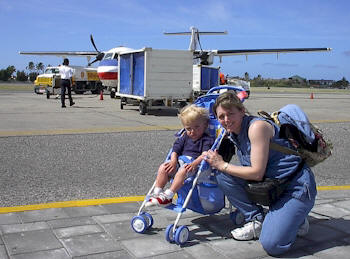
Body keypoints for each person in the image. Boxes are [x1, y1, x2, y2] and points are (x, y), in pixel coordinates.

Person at [203, 92, 316, 256]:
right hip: (272, 186)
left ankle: (296, 219)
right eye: (221, 116)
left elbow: (256, 173)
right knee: (222, 175)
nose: (226, 120)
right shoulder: (232, 131)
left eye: (231, 114)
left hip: (295, 188)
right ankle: (257, 219)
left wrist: (222, 164)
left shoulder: (257, 127)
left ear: (242, 111)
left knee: (272, 245)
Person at [145, 105, 214, 207]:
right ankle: (157, 192)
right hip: (179, 162)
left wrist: (194, 163)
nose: (192, 131)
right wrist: (173, 161)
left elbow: (205, 154)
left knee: (183, 170)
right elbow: (175, 149)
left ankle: (168, 195)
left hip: (195, 166)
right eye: (188, 128)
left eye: (197, 127)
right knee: (163, 167)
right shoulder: (185, 136)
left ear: (205, 125)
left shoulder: (206, 139)